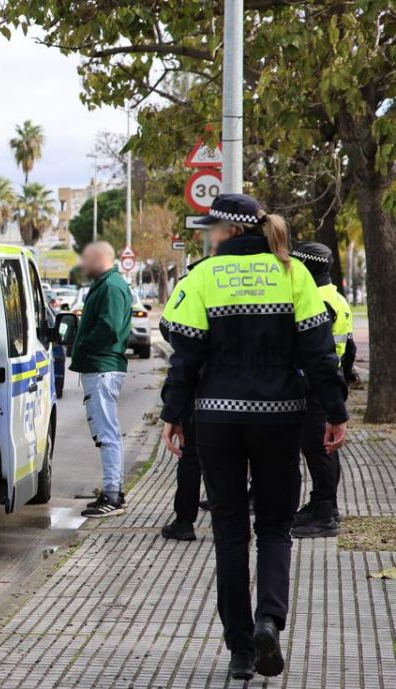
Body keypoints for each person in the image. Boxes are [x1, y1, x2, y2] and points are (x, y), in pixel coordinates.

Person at [161, 193, 348, 680]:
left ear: (226, 231)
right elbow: (319, 352)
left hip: (218, 420)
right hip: (279, 419)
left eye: (210, 228)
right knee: (273, 527)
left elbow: (185, 357)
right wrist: (336, 412)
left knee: (228, 534)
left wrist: (173, 413)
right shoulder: (294, 274)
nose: (206, 235)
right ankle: (270, 619)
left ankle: (241, 651)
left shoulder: (201, 277)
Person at [291, 242, 354, 538]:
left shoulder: (316, 299)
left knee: (319, 449)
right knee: (325, 448)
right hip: (330, 379)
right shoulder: (335, 297)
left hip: (316, 383)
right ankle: (321, 503)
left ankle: (326, 514)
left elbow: (312, 348)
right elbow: (349, 347)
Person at [70, 241, 133, 518]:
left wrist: (84, 345)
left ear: (99, 258)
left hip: (103, 367)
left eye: (86, 259)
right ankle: (112, 491)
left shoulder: (111, 287)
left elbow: (108, 327)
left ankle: (112, 495)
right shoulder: (106, 285)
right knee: (106, 433)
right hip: (100, 366)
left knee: (107, 434)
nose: (83, 265)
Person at [158, 257, 208, 541]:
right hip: (248, 391)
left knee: (191, 454)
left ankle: (184, 521)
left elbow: (168, 328)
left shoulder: (190, 283)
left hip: (197, 387)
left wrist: (171, 410)